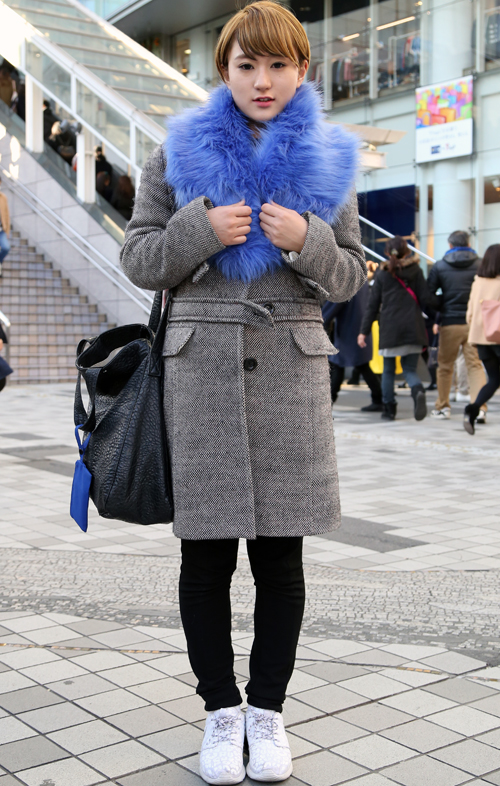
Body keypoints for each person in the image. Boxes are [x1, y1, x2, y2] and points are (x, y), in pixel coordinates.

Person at [120, 3, 366, 783]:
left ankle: (269, 711)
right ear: (221, 72)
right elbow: (139, 256)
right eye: (246, 66)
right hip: (200, 379)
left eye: (279, 65)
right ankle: (221, 714)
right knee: (204, 562)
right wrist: (199, 230)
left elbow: (352, 275)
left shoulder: (329, 160)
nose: (263, 81)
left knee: (282, 563)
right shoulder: (177, 154)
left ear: (303, 71)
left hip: (290, 375)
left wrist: (308, 240)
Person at [358, 236, 438, 421]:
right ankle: (417, 389)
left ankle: (389, 410)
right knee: (409, 369)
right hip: (413, 328)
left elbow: (373, 304)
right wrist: (441, 313)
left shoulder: (382, 273)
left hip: (390, 329)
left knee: (388, 370)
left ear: (387, 252)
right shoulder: (416, 270)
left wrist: (364, 331)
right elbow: (426, 299)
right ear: (407, 251)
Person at [427, 230, 487, 421]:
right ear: (468, 243)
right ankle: (479, 408)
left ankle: (443, 407)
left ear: (450, 245)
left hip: (449, 323)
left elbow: (429, 296)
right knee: (475, 366)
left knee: (445, 366)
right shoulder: (480, 264)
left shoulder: (440, 266)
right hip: (474, 323)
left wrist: (442, 306)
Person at [323, 283, 383, 411]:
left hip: (347, 330)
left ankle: (328, 403)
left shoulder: (345, 282)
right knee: (361, 364)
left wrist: (321, 320)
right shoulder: (362, 280)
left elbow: (332, 307)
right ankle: (379, 399)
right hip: (360, 328)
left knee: (338, 364)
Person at [463, 244, 500, 434]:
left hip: (481, 338)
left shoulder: (478, 281)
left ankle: (473, 409)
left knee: (494, 378)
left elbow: (470, 314)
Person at [0, 175, 11, 277]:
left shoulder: (3, 197)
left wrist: (7, 231)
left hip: (1, 230)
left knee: (6, 247)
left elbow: (7, 214)